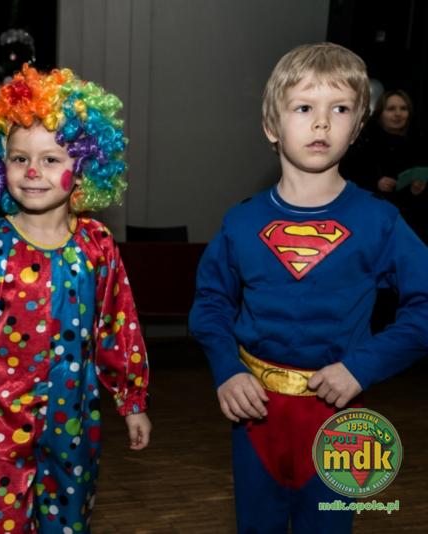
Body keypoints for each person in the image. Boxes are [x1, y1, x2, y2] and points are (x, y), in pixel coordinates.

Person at [189, 43, 428, 533]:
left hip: (339, 419)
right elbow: (210, 303)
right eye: (303, 108)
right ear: (271, 125)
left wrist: (363, 366)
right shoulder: (241, 222)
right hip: (255, 415)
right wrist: (226, 370)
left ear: (356, 128)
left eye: (339, 109)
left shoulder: (381, 222)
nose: (321, 123)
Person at [0, 65, 152, 533]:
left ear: (84, 168)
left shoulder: (97, 244)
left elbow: (118, 325)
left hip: (74, 421)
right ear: (0, 164)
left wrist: (132, 401)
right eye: (18, 158)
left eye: (51, 159)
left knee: (68, 521)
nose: (32, 171)